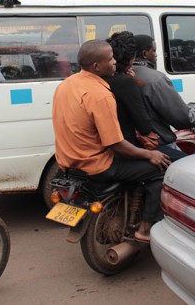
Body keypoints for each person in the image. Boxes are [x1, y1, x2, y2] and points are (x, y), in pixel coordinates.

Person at [52, 39, 171, 242]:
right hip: (98, 166)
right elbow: (116, 144)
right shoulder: (100, 95)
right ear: (97, 66)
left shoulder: (66, 84)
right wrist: (151, 154)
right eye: (110, 59)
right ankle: (145, 228)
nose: (115, 61)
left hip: (67, 163)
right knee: (163, 169)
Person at [105, 31, 186, 161]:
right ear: (132, 58)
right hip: (130, 146)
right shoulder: (127, 82)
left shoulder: (105, 78)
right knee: (183, 162)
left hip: (111, 145)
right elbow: (144, 125)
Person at [132, 34, 195, 153]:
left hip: (135, 143)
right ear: (145, 54)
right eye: (154, 51)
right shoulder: (155, 79)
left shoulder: (124, 74)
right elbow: (183, 119)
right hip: (156, 144)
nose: (156, 55)